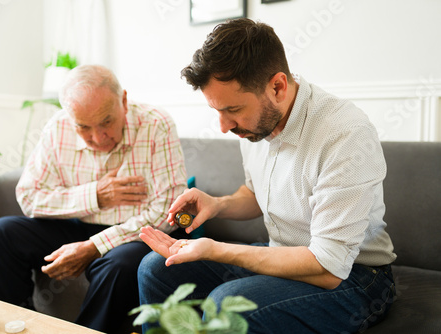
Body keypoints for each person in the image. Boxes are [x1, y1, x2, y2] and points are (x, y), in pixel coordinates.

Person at [138, 18, 397, 334]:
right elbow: (255, 194)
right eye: (217, 111)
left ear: (277, 87)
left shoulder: (344, 134)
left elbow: (329, 268)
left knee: (227, 303)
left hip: (355, 274)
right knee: (155, 269)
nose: (222, 126)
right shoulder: (254, 126)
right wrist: (217, 204)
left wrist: (215, 248)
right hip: (282, 255)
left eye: (232, 109)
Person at [0, 64, 187, 333]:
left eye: (106, 122)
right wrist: (95, 196)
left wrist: (94, 246)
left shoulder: (156, 124)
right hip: (78, 225)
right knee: (0, 234)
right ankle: (13, 327)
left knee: (119, 265)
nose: (97, 138)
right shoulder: (58, 127)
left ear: (123, 100)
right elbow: (30, 197)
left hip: (136, 235)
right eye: (83, 127)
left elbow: (166, 212)